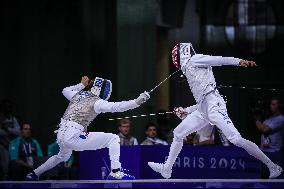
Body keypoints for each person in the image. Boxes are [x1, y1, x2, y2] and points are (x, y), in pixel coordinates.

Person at [148, 43, 282, 179]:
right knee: (178, 134)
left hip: (214, 105)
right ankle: (167, 169)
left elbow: (220, 60)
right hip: (203, 109)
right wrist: (186, 111)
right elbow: (201, 102)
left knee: (236, 139)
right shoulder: (190, 69)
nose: (175, 61)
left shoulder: (195, 59)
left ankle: (272, 166)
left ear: (182, 54)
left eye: (175, 57)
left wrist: (239, 62)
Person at [25, 76, 150, 181]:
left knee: (62, 156)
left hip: (61, 134)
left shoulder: (77, 95)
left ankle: (34, 174)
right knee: (113, 138)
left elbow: (65, 90)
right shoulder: (97, 102)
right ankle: (116, 172)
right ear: (102, 90)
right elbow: (118, 107)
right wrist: (137, 102)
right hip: (73, 136)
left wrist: (81, 85)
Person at [255, 98, 284, 178]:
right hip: (264, 151)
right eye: (271, 104)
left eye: (274, 104)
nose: (271, 106)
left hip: (274, 152)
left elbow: (264, 129)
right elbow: (262, 127)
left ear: (279, 106)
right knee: (264, 176)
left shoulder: (280, 118)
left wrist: (257, 120)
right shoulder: (269, 118)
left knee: (276, 177)